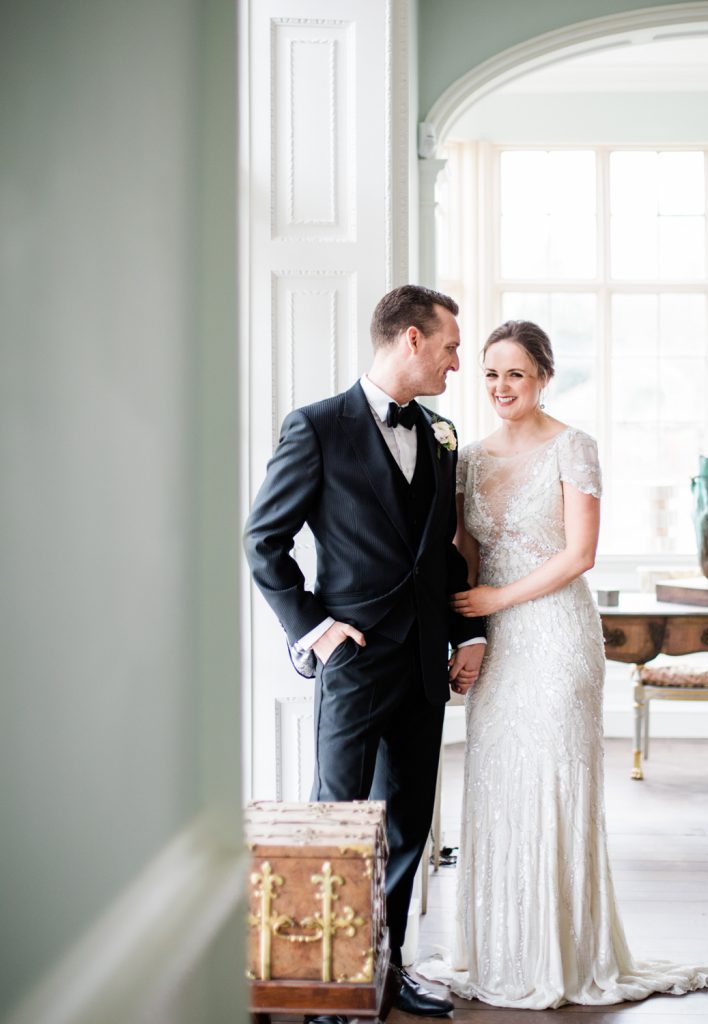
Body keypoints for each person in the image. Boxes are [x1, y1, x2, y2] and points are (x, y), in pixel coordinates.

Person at [416, 320, 708, 1009]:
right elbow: (465, 555)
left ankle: (566, 955)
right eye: (491, 373)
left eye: (516, 374)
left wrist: (497, 598)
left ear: (544, 378)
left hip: (556, 637)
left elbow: (580, 554)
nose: (501, 387)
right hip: (497, 641)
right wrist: (469, 636)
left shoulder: (572, 446)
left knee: (553, 780)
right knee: (499, 783)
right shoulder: (468, 458)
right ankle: (502, 949)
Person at [243, 285, 486, 1022]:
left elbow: (439, 552)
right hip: (352, 660)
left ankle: (387, 967)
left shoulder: (441, 434)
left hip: (425, 663)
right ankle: (331, 984)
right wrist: (316, 629)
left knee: (408, 824)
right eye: (449, 346)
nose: (456, 362)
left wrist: (468, 634)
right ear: (411, 339)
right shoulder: (317, 426)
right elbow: (264, 540)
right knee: (339, 818)